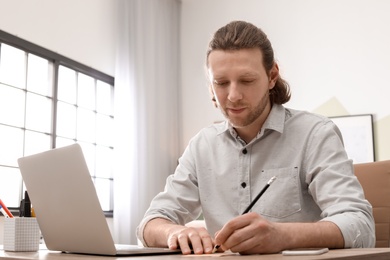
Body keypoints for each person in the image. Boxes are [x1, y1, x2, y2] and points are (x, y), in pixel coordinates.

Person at [136, 20, 375, 255]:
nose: (233, 96)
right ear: (210, 87)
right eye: (220, 83)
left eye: (247, 80)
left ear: (272, 76)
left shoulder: (315, 133)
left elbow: (360, 226)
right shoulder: (202, 145)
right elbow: (149, 224)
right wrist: (172, 232)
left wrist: (283, 236)